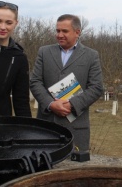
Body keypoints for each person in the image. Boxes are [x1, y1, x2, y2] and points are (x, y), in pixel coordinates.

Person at [30, 14, 103, 151]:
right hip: (46, 126)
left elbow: (96, 87)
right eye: (57, 31)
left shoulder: (91, 55)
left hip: (76, 128)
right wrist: (51, 104)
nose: (59, 35)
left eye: (64, 31)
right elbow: (35, 82)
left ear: (77, 32)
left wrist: (72, 105)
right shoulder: (44, 52)